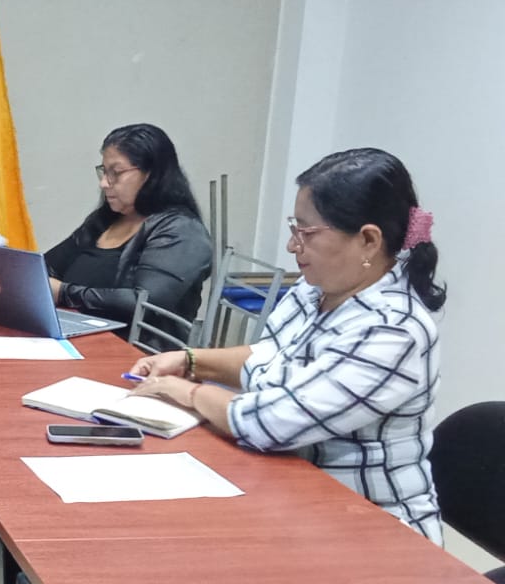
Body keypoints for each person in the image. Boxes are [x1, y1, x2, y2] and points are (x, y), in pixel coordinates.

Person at [128, 148, 444, 542]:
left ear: (367, 240)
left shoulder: (393, 330)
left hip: (373, 531)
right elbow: (270, 356)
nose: (293, 246)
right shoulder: (317, 290)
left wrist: (186, 392)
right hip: (296, 497)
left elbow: (270, 422)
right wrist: (191, 360)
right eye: (295, 228)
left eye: (306, 233)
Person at [45, 123, 213, 326]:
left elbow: (146, 304)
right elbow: (47, 267)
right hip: (84, 329)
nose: (104, 183)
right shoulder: (107, 218)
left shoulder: (183, 231)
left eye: (116, 172)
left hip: (137, 343)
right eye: (104, 171)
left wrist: (64, 293)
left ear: (151, 174)